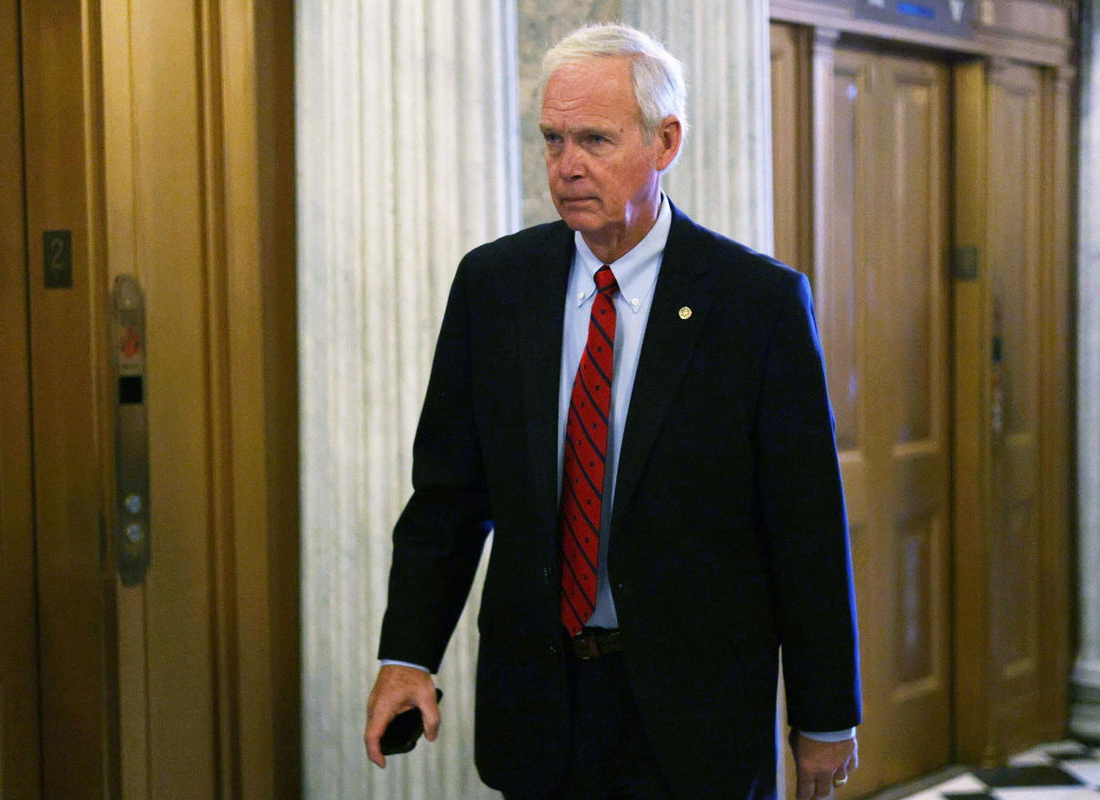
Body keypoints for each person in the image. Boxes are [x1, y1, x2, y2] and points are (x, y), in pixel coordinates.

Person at [364, 23, 861, 800]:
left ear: (666, 142)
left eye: (594, 139)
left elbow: (805, 527)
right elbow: (449, 497)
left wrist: (825, 716)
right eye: (553, 140)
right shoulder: (496, 286)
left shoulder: (755, 303)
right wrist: (408, 654)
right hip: (540, 700)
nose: (567, 168)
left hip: (696, 713)